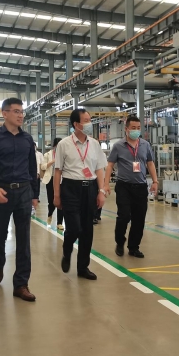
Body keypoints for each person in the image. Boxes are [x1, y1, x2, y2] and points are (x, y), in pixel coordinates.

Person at [0, 98, 39, 302]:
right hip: (1, 191)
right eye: (16, 111)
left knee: (24, 239)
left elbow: (32, 168)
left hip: (23, 191)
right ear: (4, 113)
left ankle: (21, 284)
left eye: (22, 112)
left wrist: (35, 195)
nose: (20, 115)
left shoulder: (27, 139)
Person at [54, 109, 107, 281]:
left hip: (90, 188)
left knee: (87, 230)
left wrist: (101, 191)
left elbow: (99, 169)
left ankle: (83, 267)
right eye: (86, 120)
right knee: (74, 228)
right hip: (70, 188)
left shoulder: (95, 144)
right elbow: (57, 171)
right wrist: (56, 195)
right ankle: (67, 249)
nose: (90, 123)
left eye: (90, 119)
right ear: (76, 124)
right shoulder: (64, 144)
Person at [104, 116, 158, 258]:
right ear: (126, 129)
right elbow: (110, 165)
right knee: (124, 216)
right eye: (133, 128)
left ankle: (134, 247)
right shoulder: (118, 146)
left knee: (139, 219)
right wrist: (106, 184)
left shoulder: (145, 145)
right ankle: (120, 241)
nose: (136, 130)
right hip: (124, 186)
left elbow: (150, 163)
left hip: (140, 186)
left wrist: (155, 181)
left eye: (138, 128)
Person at [41, 137, 64, 229]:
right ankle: (50, 214)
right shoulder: (47, 154)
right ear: (54, 145)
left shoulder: (64, 154)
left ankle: (59, 222)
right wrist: (52, 162)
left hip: (61, 179)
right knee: (51, 201)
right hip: (50, 179)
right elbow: (43, 167)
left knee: (61, 201)